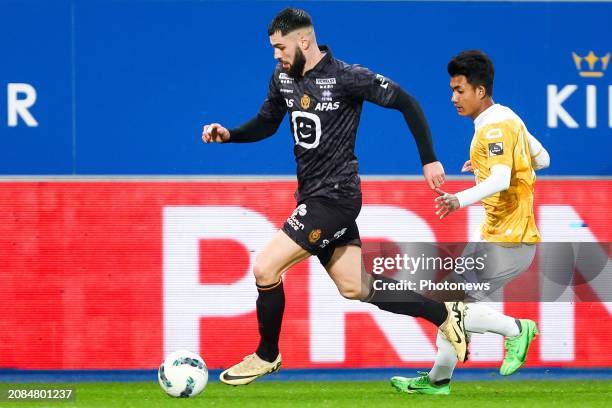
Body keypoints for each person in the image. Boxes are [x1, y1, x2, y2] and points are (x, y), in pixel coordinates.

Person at [201, 7, 470, 386]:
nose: (276, 55)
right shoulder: (283, 77)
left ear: (304, 40)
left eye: (280, 47)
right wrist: (230, 134)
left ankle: (267, 354)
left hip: (337, 197)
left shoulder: (347, 77)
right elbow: (266, 122)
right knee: (355, 286)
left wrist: (429, 160)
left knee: (265, 267)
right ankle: (443, 312)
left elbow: (406, 102)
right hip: (311, 197)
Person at [390, 50, 550, 395]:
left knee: (446, 306)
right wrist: (485, 165)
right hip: (501, 236)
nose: (453, 98)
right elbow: (543, 158)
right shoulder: (508, 117)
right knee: (453, 308)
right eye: (452, 90)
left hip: (508, 240)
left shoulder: (492, 127)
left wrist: (458, 198)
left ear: (480, 91)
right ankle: (438, 381)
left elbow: (501, 179)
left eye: (460, 90)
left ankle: (517, 330)